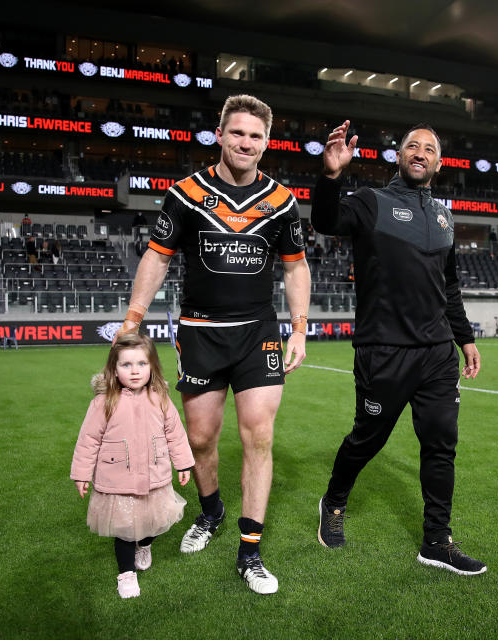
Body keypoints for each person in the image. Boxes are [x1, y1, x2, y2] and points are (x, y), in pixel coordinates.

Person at [114, 94, 310, 594]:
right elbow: (156, 258)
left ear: (266, 144)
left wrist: (300, 328)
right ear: (219, 135)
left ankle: (250, 551)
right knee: (200, 438)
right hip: (200, 332)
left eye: (256, 136)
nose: (246, 143)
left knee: (258, 437)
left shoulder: (281, 201)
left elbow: (295, 266)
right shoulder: (184, 194)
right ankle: (212, 511)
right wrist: (133, 318)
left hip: (258, 334)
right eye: (238, 133)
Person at [312, 120, 486, 575]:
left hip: (436, 356)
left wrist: (464, 339)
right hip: (383, 351)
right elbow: (325, 220)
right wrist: (331, 176)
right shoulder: (372, 203)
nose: (420, 152)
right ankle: (334, 500)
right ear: (398, 155)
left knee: (441, 445)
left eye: (429, 148)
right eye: (412, 144)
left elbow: (449, 287)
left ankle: (436, 541)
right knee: (367, 439)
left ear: (439, 162)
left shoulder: (445, 217)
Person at [70, 333, 195, 599]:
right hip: (119, 482)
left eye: (142, 364)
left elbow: (175, 433)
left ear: (152, 367)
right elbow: (88, 440)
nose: (135, 371)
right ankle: (126, 573)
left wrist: (183, 464)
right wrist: (81, 474)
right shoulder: (104, 402)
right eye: (126, 365)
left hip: (154, 477)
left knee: (153, 522)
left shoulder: (160, 398)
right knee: (125, 531)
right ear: (114, 369)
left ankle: (145, 545)